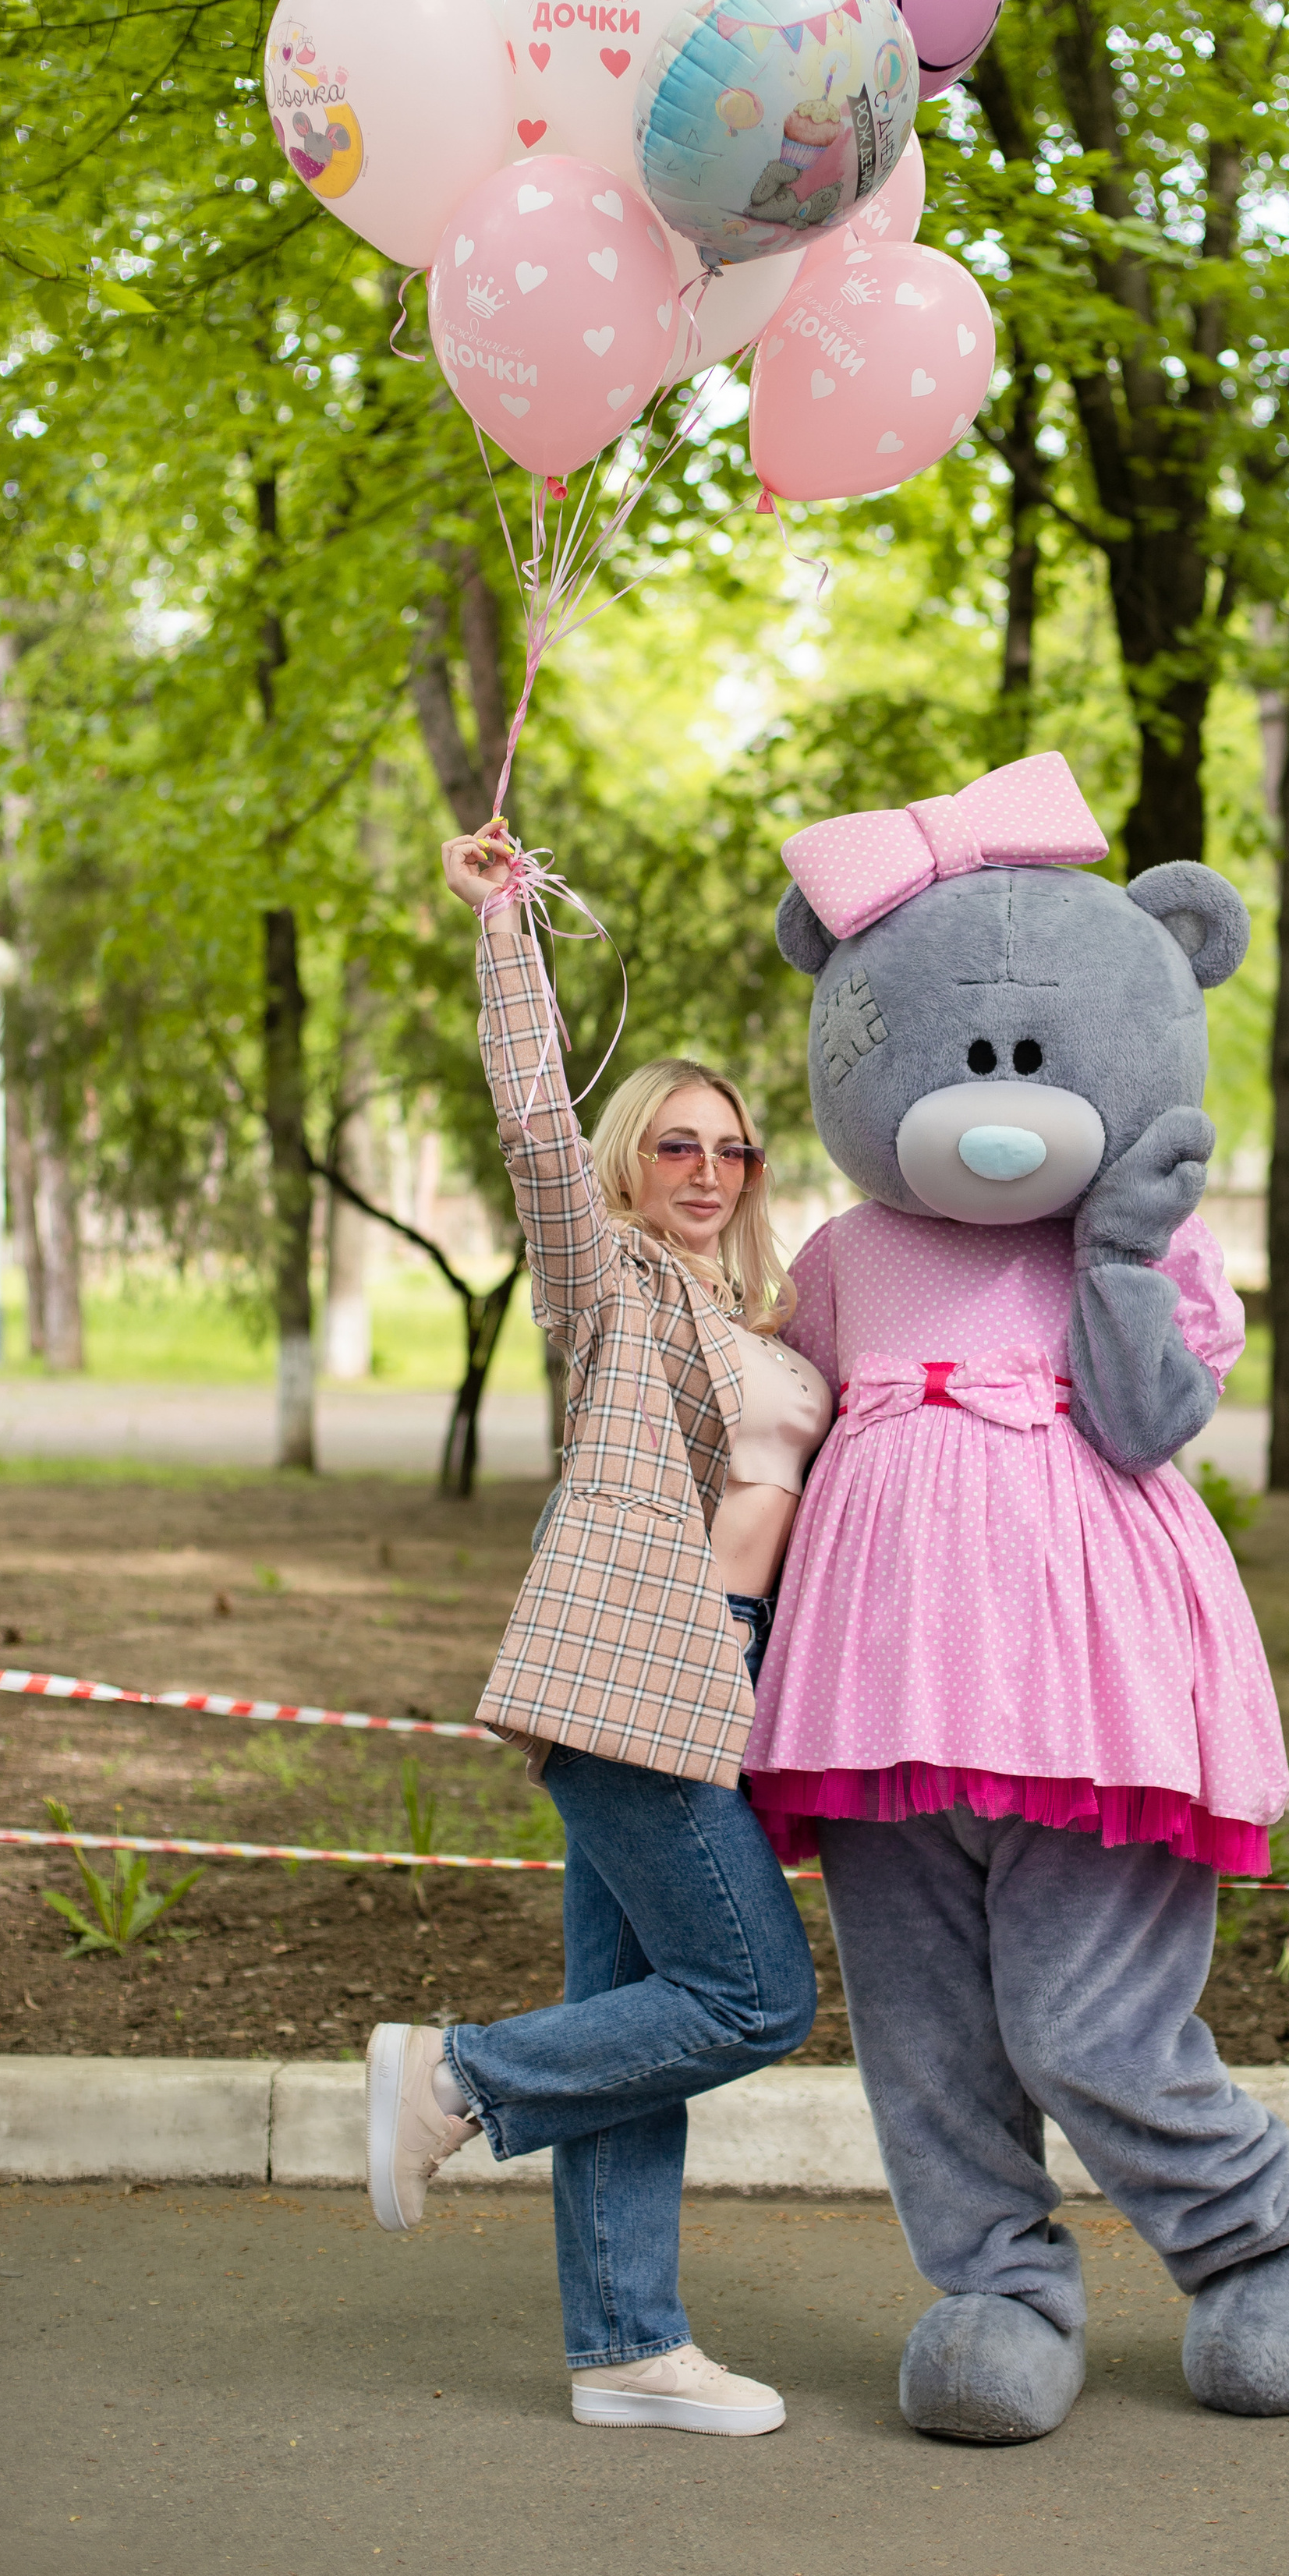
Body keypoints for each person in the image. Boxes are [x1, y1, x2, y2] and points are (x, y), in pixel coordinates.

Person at [364, 827, 830, 2438]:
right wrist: (504, 927)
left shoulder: (767, 1321)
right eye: (677, 1146)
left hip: (738, 1672)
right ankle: (458, 2078)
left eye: (733, 1150)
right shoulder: (610, 1284)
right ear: (632, 1164)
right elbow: (530, 1122)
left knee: (632, 2014)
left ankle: (627, 2345)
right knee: (756, 1996)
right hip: (639, 1661)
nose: (707, 1171)